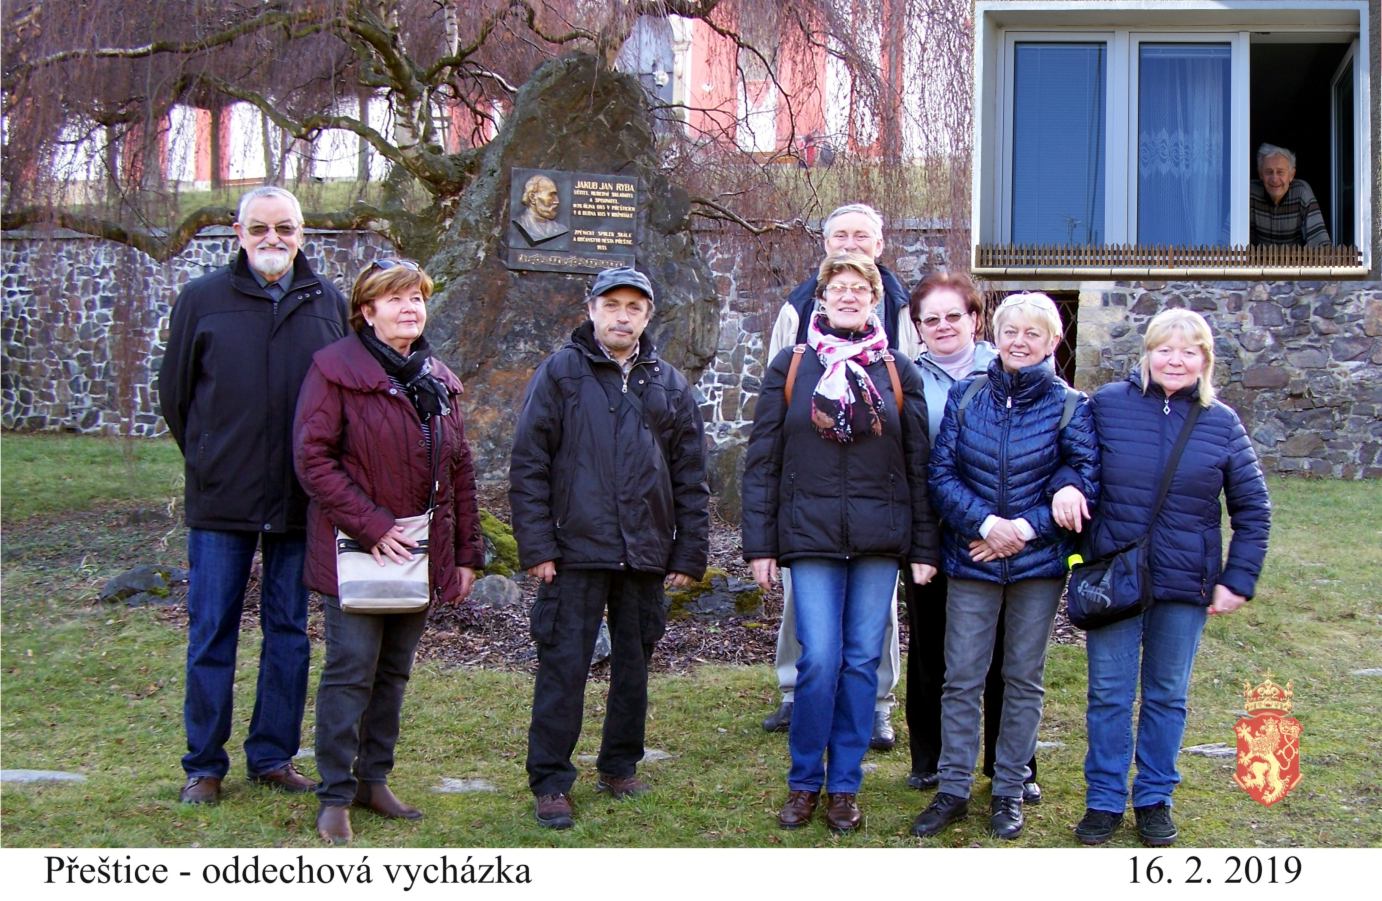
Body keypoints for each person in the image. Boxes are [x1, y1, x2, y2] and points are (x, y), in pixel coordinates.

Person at [158, 185, 349, 805]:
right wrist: (211, 458)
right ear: (238, 233)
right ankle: (204, 765)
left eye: (286, 229)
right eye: (260, 228)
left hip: (301, 500)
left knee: (289, 631)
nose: (274, 239)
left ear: (303, 234)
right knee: (212, 630)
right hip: (222, 500)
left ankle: (271, 755)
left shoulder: (330, 306)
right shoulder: (202, 300)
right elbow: (176, 397)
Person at [743, 251, 940, 833]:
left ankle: (844, 788)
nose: (849, 296)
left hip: (880, 541)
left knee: (861, 662)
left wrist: (924, 549)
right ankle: (805, 782)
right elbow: (763, 462)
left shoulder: (898, 371)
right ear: (822, 299)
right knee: (820, 659)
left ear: (875, 300)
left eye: (861, 288)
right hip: (810, 537)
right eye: (839, 288)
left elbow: (919, 465)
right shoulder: (793, 364)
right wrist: (761, 546)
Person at [509, 266, 710, 829]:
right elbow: (529, 465)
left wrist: (688, 553)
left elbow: (690, 476)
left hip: (644, 552)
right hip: (574, 552)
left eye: (635, 307)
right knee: (563, 666)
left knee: (634, 668)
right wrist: (538, 546)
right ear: (592, 308)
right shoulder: (560, 373)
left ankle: (620, 765)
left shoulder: (668, 383)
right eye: (613, 304)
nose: (623, 316)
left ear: (648, 316)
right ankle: (551, 780)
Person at [293, 259, 484, 844]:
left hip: (422, 553)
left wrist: (466, 554)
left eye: (417, 298)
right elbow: (313, 459)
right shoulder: (334, 371)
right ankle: (334, 796)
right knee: (351, 672)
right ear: (366, 310)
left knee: (394, 674)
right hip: (358, 550)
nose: (410, 308)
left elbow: (460, 472)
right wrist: (374, 525)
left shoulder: (438, 380)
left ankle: (373, 780)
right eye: (395, 298)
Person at [1073, 308, 1270, 848]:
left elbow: (1253, 509)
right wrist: (1068, 488)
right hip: (1116, 575)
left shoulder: (1222, 422)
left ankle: (1155, 798)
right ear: (1147, 353)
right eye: (1165, 348)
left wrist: (1238, 578)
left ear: (1204, 360)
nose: (1175, 359)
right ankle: (1104, 801)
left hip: (1186, 582)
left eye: (1188, 351)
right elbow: (1075, 462)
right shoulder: (1108, 405)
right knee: (1109, 693)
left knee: (1166, 694)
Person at [912, 291, 1098, 841]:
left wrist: (1023, 529)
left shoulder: (1071, 406)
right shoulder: (968, 398)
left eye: (1032, 334)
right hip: (971, 560)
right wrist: (988, 526)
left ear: (1052, 341)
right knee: (961, 676)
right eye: (1011, 331)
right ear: (995, 333)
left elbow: (1084, 477)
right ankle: (953, 789)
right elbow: (941, 476)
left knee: (1022, 679)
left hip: (1037, 567)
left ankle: (1010, 789)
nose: (1020, 342)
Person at [761, 203, 921, 750]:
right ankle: (796, 694)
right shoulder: (797, 309)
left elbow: (907, 407)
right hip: (812, 502)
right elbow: (777, 411)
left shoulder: (902, 308)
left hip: (877, 501)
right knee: (804, 614)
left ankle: (875, 704)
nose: (850, 243)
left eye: (862, 235)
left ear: (880, 244)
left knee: (874, 625)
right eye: (840, 235)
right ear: (824, 244)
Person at [903, 272, 1040, 805]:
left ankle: (1011, 762)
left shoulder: (1009, 365)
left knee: (1011, 651)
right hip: (935, 530)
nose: (942, 327)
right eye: (930, 319)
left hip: (1003, 534)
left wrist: (1006, 531)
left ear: (976, 320)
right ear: (917, 327)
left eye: (953, 316)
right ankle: (932, 757)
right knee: (933, 645)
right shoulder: (905, 377)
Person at [1249, 143, 1330, 246]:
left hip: (1296, 262)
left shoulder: (1302, 192)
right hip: (1257, 262)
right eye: (1269, 172)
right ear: (1260, 174)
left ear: (1291, 175)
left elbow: (1321, 244)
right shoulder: (1250, 192)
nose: (1274, 179)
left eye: (1280, 172)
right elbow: (1229, 240)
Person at [512, 174, 569, 245]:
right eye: (551, 195)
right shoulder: (520, 224)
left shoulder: (560, 229)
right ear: (532, 197)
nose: (557, 201)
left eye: (556, 195)